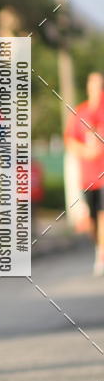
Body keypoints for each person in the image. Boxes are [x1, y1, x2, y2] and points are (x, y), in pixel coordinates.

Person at [64, 71, 104, 276]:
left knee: (103, 214)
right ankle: (99, 247)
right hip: (88, 176)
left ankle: (102, 255)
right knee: (93, 216)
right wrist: (86, 151)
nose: (96, 89)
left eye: (99, 85)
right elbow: (70, 140)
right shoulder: (81, 112)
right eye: (93, 85)